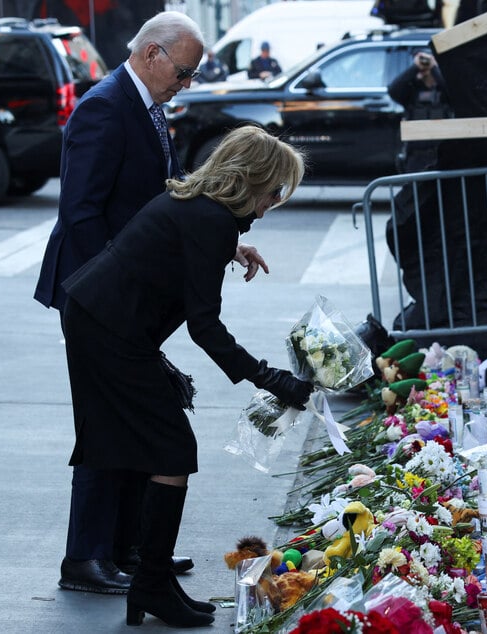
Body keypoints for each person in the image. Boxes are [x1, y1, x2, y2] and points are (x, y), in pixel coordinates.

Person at [34, 11, 266, 595]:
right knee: (105, 421)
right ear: (152, 53)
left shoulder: (147, 106)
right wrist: (100, 293)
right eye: (184, 72)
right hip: (97, 295)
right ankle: (87, 558)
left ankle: (130, 548)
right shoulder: (105, 106)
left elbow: (170, 196)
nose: (185, 83)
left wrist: (226, 240)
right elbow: (81, 213)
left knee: (133, 415)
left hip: (124, 296)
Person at [61, 125, 313, 628]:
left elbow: (180, 245)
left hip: (101, 320)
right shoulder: (212, 221)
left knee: (153, 446)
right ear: (252, 180)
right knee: (172, 448)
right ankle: (150, 581)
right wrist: (270, 378)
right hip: (109, 331)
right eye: (274, 191)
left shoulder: (201, 208)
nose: (273, 204)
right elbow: (205, 327)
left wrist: (229, 249)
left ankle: (147, 576)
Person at [387, 48, 452, 172]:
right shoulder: (412, 90)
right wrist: (415, 68)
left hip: (442, 154)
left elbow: (454, 92)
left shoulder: (443, 90)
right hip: (416, 155)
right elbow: (393, 90)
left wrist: (434, 67)